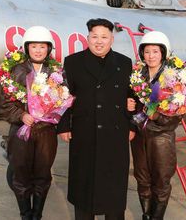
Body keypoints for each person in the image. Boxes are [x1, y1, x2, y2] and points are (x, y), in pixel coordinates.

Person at [57, 18, 135, 220]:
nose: (99, 41)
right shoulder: (73, 61)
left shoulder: (124, 63)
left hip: (115, 133)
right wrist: (64, 126)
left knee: (114, 188)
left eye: (104, 37)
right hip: (85, 131)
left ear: (112, 39)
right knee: (84, 184)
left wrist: (132, 123)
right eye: (94, 37)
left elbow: (133, 96)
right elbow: (64, 95)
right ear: (87, 38)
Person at [0, 26, 58, 220]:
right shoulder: (16, 71)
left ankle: (37, 215)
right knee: (21, 175)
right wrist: (21, 115)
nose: (38, 50)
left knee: (43, 176)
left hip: (46, 132)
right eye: (34, 46)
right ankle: (26, 215)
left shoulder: (55, 73)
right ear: (27, 48)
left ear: (48, 49)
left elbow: (62, 101)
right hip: (21, 131)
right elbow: (6, 105)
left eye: (42, 46)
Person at [127, 31, 182, 220]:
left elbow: (177, 115)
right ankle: (146, 215)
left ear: (163, 53)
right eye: (147, 51)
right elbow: (131, 102)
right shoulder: (137, 76)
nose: (151, 56)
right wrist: (130, 105)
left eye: (155, 52)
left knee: (161, 181)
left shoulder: (172, 79)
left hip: (161, 137)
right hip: (140, 137)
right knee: (142, 179)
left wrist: (157, 115)